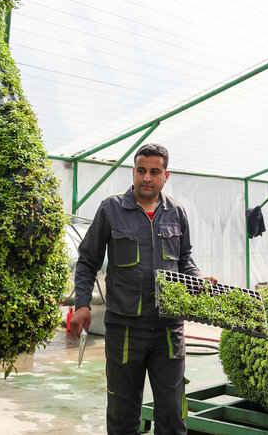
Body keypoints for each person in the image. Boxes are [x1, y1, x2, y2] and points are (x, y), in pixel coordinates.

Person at [71, 143, 216, 435]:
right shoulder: (111, 209)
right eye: (141, 170)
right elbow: (87, 260)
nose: (147, 178)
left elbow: (184, 258)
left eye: (154, 172)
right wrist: (82, 305)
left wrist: (197, 279)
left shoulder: (177, 212)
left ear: (166, 176)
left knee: (173, 413)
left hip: (168, 329)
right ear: (133, 172)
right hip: (125, 328)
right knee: (123, 413)